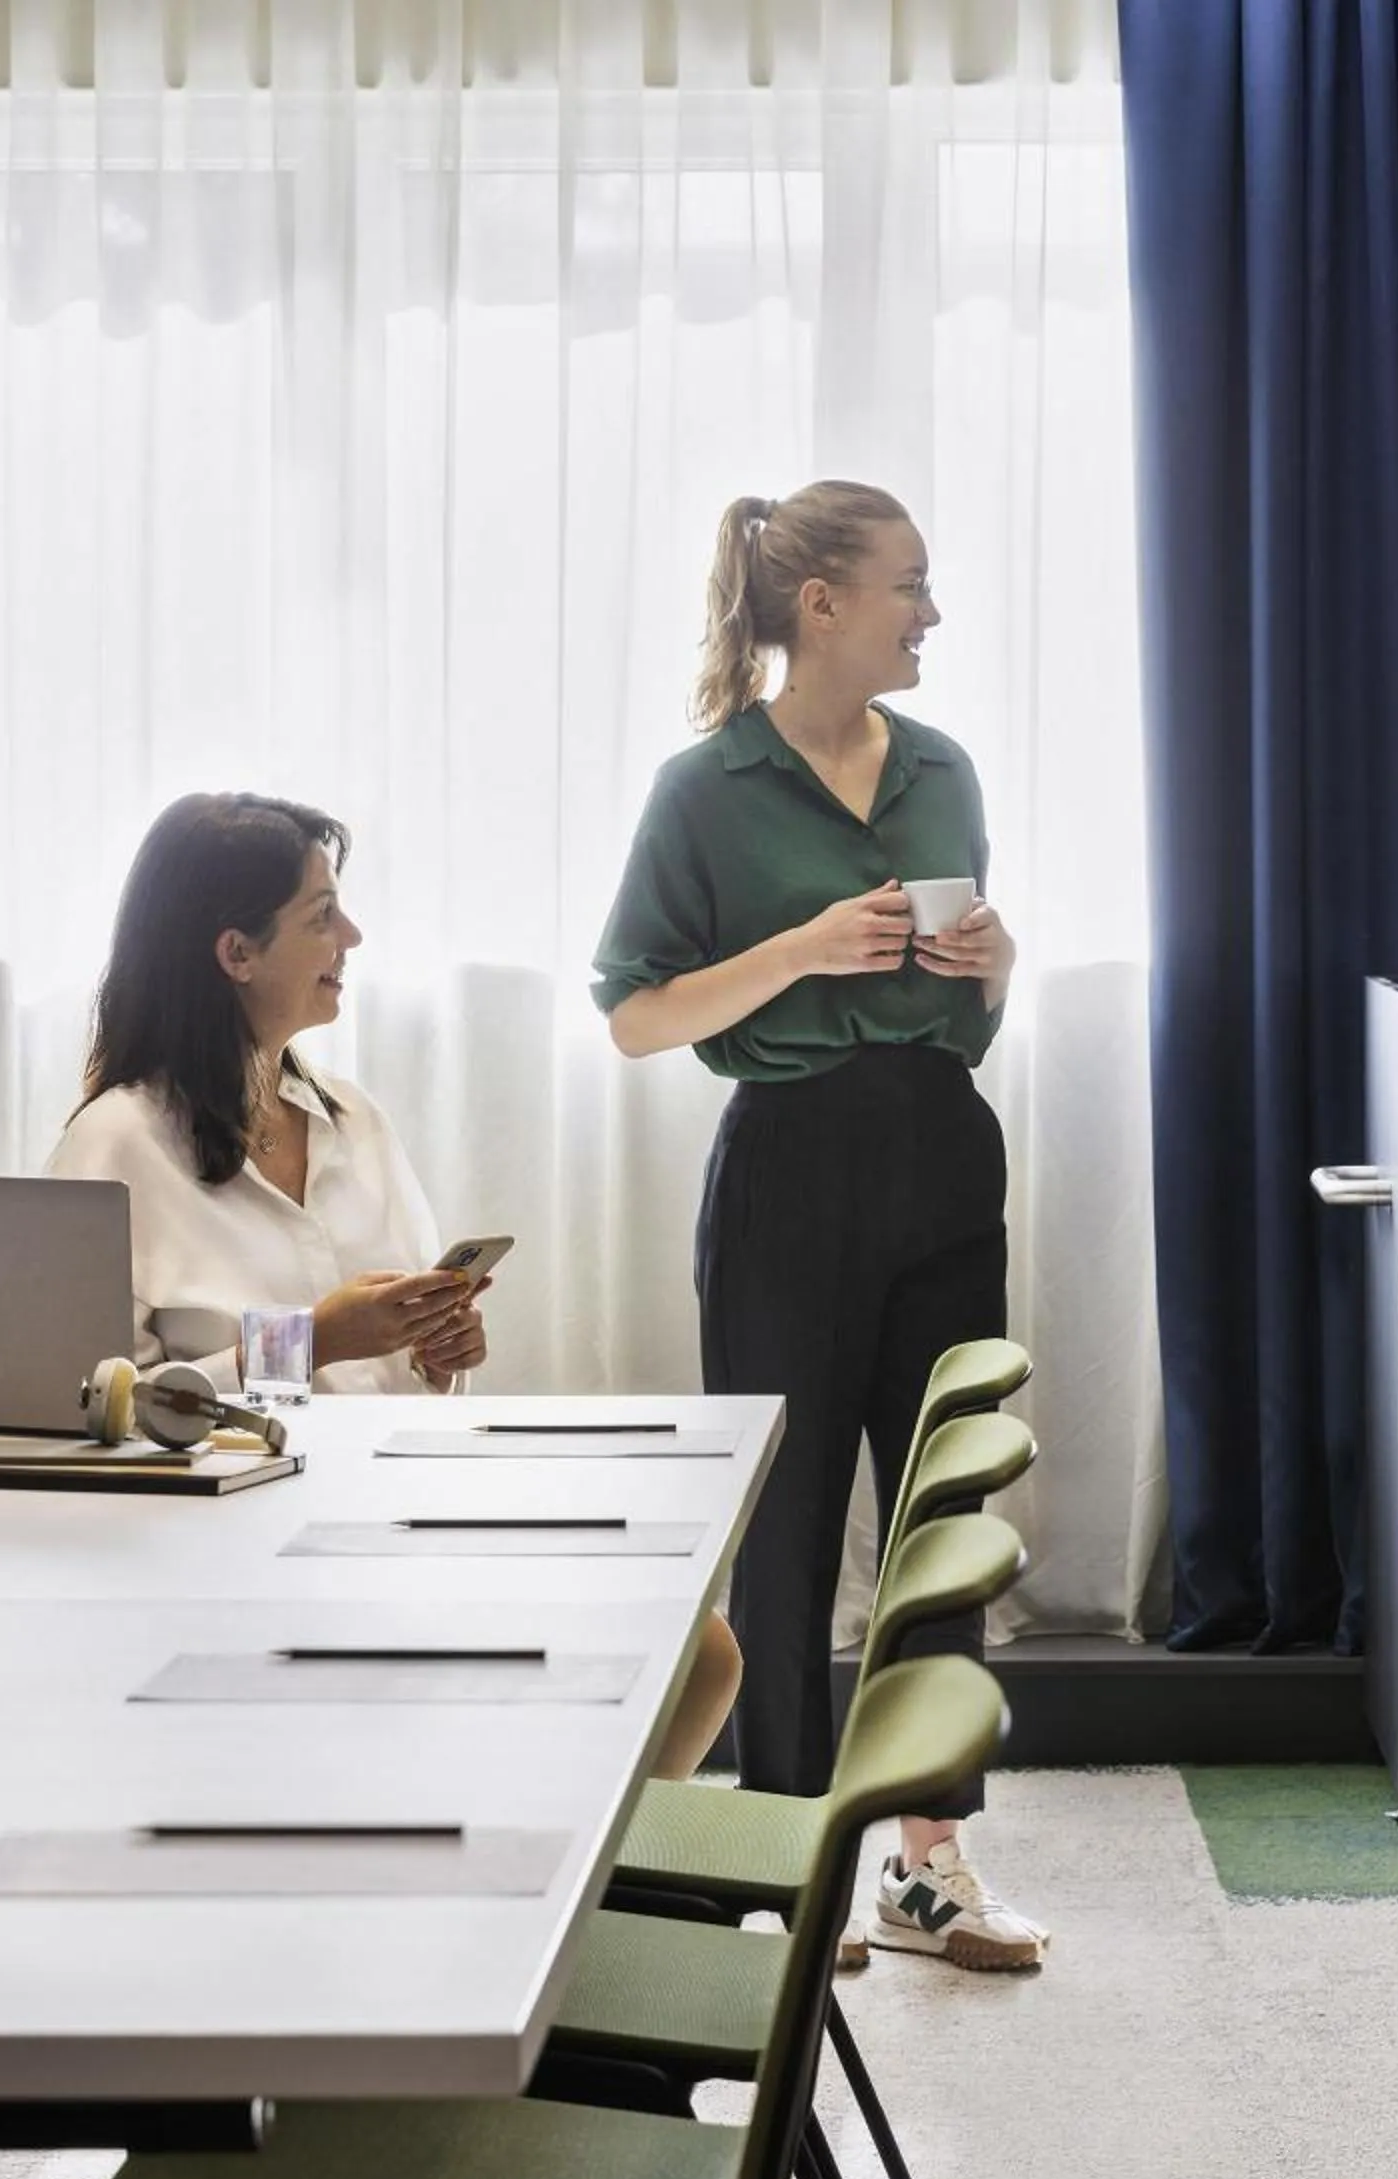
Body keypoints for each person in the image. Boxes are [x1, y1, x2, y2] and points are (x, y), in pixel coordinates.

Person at [50, 790, 740, 1782]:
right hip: (241, 1540)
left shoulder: (349, 1118)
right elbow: (94, 1419)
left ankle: (594, 1896)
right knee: (659, 1656)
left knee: (702, 1653)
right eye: (320, 916)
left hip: (401, 1495)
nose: (353, 936)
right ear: (235, 953)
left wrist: (440, 1349)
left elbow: (406, 1356)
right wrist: (311, 1343)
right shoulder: (116, 1144)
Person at [591, 482, 1044, 1971]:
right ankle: (789, 1855)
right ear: (821, 605)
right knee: (782, 1531)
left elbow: (975, 1009)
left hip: (938, 1149)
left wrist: (994, 957)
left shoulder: (943, 770)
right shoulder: (705, 788)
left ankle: (927, 1860)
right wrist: (795, 951)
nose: (930, 611)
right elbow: (638, 1014)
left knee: (938, 1508)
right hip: (785, 1167)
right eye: (909, 583)